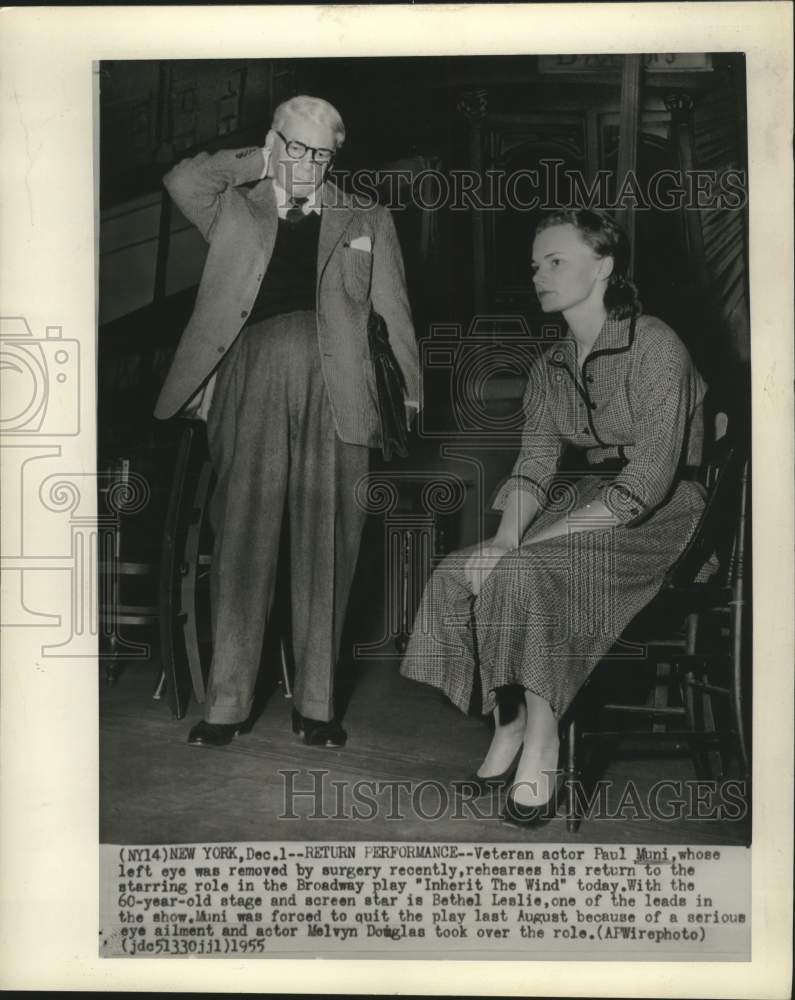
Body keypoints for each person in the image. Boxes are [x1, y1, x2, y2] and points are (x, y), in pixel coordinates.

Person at [401, 208, 707, 824]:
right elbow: (534, 466)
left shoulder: (654, 343)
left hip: (664, 512)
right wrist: (504, 539)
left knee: (528, 570)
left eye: (556, 260)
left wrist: (524, 551)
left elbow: (647, 482)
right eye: (536, 264)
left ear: (603, 266)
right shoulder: (550, 366)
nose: (539, 274)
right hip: (587, 501)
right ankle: (508, 720)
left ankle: (542, 743)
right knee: (462, 571)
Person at [155, 96, 419, 749]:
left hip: (342, 390)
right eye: (294, 147)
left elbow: (394, 311)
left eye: (319, 153)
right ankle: (226, 704)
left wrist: (409, 397)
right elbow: (181, 179)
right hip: (251, 378)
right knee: (242, 536)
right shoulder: (231, 207)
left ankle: (320, 705)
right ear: (274, 142)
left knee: (329, 542)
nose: (305, 164)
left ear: (335, 158)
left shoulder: (367, 215)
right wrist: (259, 159)